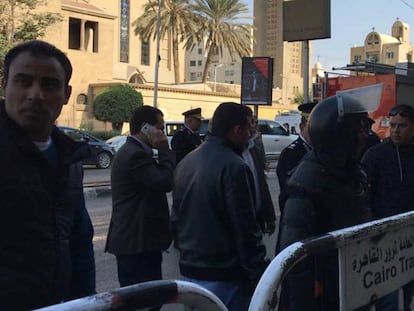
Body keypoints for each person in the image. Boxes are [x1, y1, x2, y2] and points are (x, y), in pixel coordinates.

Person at [0, 40, 96, 310]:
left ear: (66, 94)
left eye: (49, 85)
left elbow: (79, 241)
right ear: (5, 84)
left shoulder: (69, 157)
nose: (35, 94)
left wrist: (87, 302)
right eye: (23, 81)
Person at [277, 92, 374, 310]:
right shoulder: (307, 184)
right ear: (340, 134)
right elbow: (295, 259)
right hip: (324, 296)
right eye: (358, 128)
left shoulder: (352, 172)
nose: (365, 135)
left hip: (350, 287)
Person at [171, 102, 268, 311]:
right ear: (237, 130)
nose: (250, 134)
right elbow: (245, 228)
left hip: (191, 273)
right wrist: (260, 275)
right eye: (249, 128)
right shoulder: (234, 166)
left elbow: (176, 219)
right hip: (224, 275)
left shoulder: (187, 162)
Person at [105, 105, 175, 310]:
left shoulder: (135, 152)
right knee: (145, 302)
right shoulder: (135, 155)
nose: (162, 133)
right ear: (145, 128)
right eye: (160, 128)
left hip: (139, 241)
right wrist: (165, 151)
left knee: (147, 300)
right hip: (136, 243)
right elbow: (165, 182)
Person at [361, 104, 414, 311]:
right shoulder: (375, 155)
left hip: (410, 237)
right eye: (392, 125)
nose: (396, 130)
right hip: (383, 240)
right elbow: (363, 194)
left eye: (402, 126)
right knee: (389, 297)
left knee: (407, 290)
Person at [242, 117, 276, 235]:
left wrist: (269, 215)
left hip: (256, 220)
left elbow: (261, 184)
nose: (253, 126)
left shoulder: (252, 150)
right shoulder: (228, 157)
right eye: (249, 122)